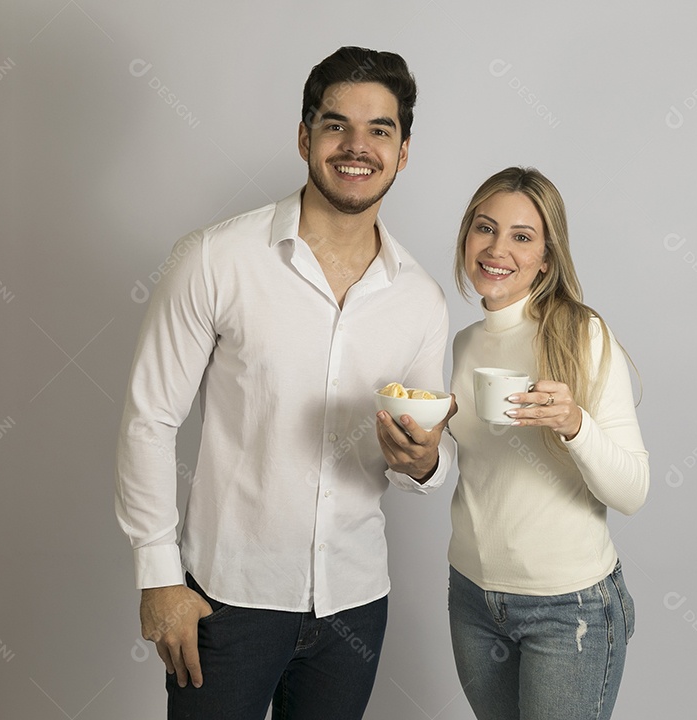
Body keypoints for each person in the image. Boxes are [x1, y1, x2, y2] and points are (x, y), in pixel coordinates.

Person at [115, 46, 456, 719]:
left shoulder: (420, 299)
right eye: (337, 125)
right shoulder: (216, 258)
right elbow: (149, 416)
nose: (357, 147)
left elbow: (425, 449)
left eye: (380, 130)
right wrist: (158, 576)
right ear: (305, 136)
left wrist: (426, 463)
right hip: (227, 603)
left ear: (404, 151)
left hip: (355, 605)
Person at [446, 167, 649, 720]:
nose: (497, 248)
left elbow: (632, 492)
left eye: (522, 236)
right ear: (466, 236)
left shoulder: (582, 333)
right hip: (472, 598)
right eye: (484, 228)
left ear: (548, 257)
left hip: (569, 609)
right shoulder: (465, 344)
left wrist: (575, 424)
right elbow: (469, 466)